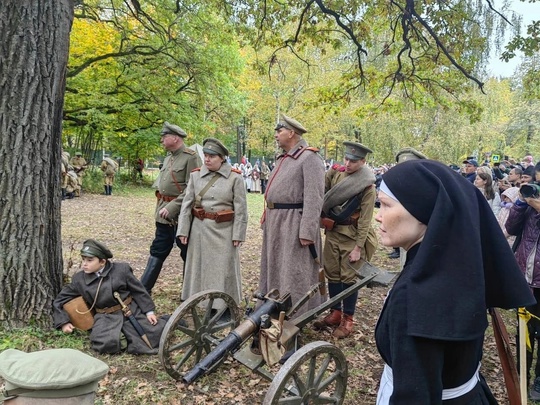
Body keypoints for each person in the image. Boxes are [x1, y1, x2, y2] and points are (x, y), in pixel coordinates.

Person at [375, 159, 534, 404]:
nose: (378, 216)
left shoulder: (416, 296)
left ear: (424, 211)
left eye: (386, 205)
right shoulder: (463, 267)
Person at [258, 114, 325, 318]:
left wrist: (307, 231)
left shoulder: (309, 158)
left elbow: (314, 198)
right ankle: (272, 306)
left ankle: (297, 313)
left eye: (280, 131)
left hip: (294, 222)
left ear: (292, 133)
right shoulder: (284, 158)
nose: (276, 135)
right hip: (277, 220)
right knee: (277, 266)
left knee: (294, 270)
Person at [53, 239, 167, 355]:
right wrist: (63, 322)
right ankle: (123, 340)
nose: (84, 264)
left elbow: (138, 291)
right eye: (83, 259)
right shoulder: (79, 280)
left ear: (102, 262)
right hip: (105, 317)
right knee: (104, 344)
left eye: (89, 260)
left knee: (156, 333)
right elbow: (60, 300)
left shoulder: (121, 270)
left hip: (130, 311)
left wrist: (149, 312)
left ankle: (162, 322)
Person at [314, 141, 377, 338]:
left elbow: (365, 220)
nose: (348, 164)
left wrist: (358, 247)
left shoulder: (367, 186)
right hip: (333, 233)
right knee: (332, 273)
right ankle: (335, 312)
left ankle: (348, 318)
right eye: (346, 159)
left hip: (351, 236)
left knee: (348, 278)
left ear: (363, 162)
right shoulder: (337, 174)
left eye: (354, 161)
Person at [177, 138, 247, 311]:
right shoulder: (195, 175)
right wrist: (183, 230)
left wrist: (238, 234)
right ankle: (197, 301)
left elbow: (241, 210)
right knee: (198, 267)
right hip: (199, 229)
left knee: (222, 269)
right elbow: (186, 205)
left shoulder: (235, 178)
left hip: (224, 231)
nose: (207, 159)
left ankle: (223, 305)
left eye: (212, 156)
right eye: (206, 156)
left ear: (222, 158)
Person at [140, 122, 200, 294]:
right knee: (158, 248)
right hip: (163, 213)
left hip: (182, 215)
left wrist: (174, 206)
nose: (162, 140)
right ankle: (143, 290)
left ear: (175, 138)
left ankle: (189, 292)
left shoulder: (191, 157)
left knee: (187, 253)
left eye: (164, 137)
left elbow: (193, 187)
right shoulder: (168, 158)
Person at [505, 162, 540, 399]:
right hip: (526, 279)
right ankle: (521, 374)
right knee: (523, 330)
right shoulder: (529, 203)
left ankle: (539, 380)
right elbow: (511, 227)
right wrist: (520, 202)